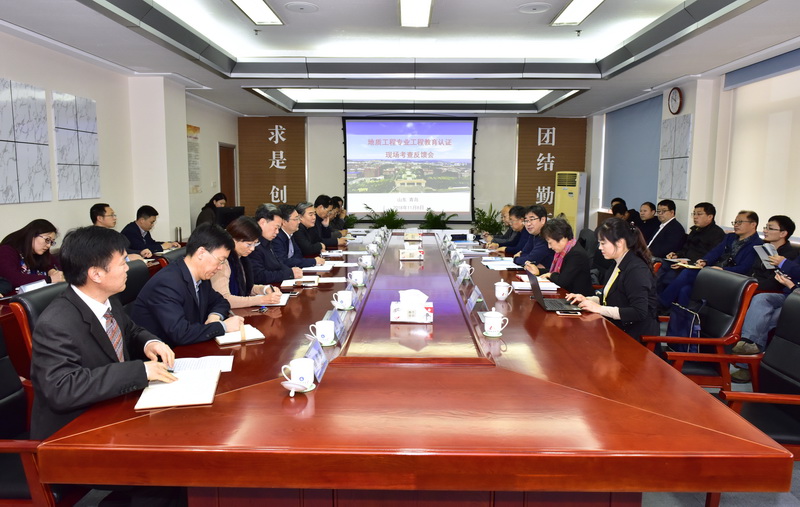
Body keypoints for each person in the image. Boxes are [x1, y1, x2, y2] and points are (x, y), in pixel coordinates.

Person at [29, 226, 181, 506]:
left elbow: (130, 330)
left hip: (112, 414)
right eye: (122, 262)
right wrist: (140, 371)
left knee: (178, 446)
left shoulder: (107, 298)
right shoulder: (56, 323)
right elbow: (63, 388)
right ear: (96, 274)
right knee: (165, 469)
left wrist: (150, 343)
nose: (128, 267)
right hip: (71, 437)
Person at [132, 223, 242, 346]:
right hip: (165, 353)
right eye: (220, 260)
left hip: (188, 346)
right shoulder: (166, 283)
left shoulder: (201, 276)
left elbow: (221, 301)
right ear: (201, 253)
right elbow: (180, 333)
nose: (220, 267)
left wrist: (214, 316)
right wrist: (222, 327)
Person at [566, 218, 659, 342]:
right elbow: (611, 297)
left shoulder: (636, 269)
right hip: (616, 328)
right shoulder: (617, 263)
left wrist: (599, 309)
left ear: (620, 243)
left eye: (603, 243)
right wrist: (587, 300)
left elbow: (638, 312)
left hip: (634, 337)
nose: (599, 247)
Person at [658, 210, 763, 308]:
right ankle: (681, 319)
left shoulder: (757, 244)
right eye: (735, 222)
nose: (736, 225)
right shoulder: (730, 237)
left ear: (753, 224)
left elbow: (744, 268)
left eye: (740, 222)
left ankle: (661, 304)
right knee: (685, 290)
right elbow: (716, 252)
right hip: (715, 271)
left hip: (731, 277)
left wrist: (723, 270)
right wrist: (705, 261)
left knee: (688, 272)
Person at [210, 216, 283, 308]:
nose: (252, 248)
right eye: (249, 244)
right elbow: (224, 299)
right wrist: (261, 300)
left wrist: (265, 289)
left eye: (255, 243)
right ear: (233, 240)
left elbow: (245, 288)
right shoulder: (222, 262)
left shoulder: (241, 258)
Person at [657, 202, 725, 296]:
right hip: (685, 262)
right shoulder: (695, 230)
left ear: (710, 217)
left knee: (668, 277)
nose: (695, 217)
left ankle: (661, 301)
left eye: (699, 214)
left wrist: (689, 263)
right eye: (694, 214)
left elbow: (710, 256)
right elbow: (686, 248)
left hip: (697, 267)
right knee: (662, 264)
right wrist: (677, 255)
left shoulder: (717, 233)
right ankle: (652, 298)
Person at [526, 218, 592, 296]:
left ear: (561, 238)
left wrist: (550, 275)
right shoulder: (565, 251)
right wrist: (538, 271)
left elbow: (562, 281)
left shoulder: (576, 254)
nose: (549, 247)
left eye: (550, 243)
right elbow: (559, 273)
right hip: (565, 294)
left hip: (578, 299)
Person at [0, 219, 64, 287]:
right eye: (47, 239)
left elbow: (56, 267)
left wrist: (51, 270)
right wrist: (49, 279)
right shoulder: (6, 251)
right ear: (32, 235)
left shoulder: (41, 253)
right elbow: (12, 278)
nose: (49, 245)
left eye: (51, 242)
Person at [250, 203, 302, 284]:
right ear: (262, 222)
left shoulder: (268, 242)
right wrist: (289, 274)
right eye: (276, 227)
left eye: (279, 228)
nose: (277, 232)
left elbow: (278, 263)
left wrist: (291, 271)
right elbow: (259, 276)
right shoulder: (252, 245)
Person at [748, 215, 798, 291]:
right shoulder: (762, 247)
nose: (765, 231)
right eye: (765, 227)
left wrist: (747, 286)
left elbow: (773, 283)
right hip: (752, 283)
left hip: (763, 289)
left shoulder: (790, 255)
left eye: (770, 228)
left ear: (783, 233)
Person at [273, 204, 324, 268]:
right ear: (284, 222)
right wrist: (313, 261)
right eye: (296, 219)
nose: (299, 222)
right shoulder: (277, 237)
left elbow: (298, 255)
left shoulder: (290, 234)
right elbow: (284, 261)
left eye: (298, 219)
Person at [513, 205, 554, 269]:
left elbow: (530, 260)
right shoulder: (533, 234)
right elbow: (524, 253)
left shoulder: (546, 237)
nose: (528, 224)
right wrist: (525, 259)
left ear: (542, 220)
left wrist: (516, 258)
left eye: (532, 219)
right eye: (526, 220)